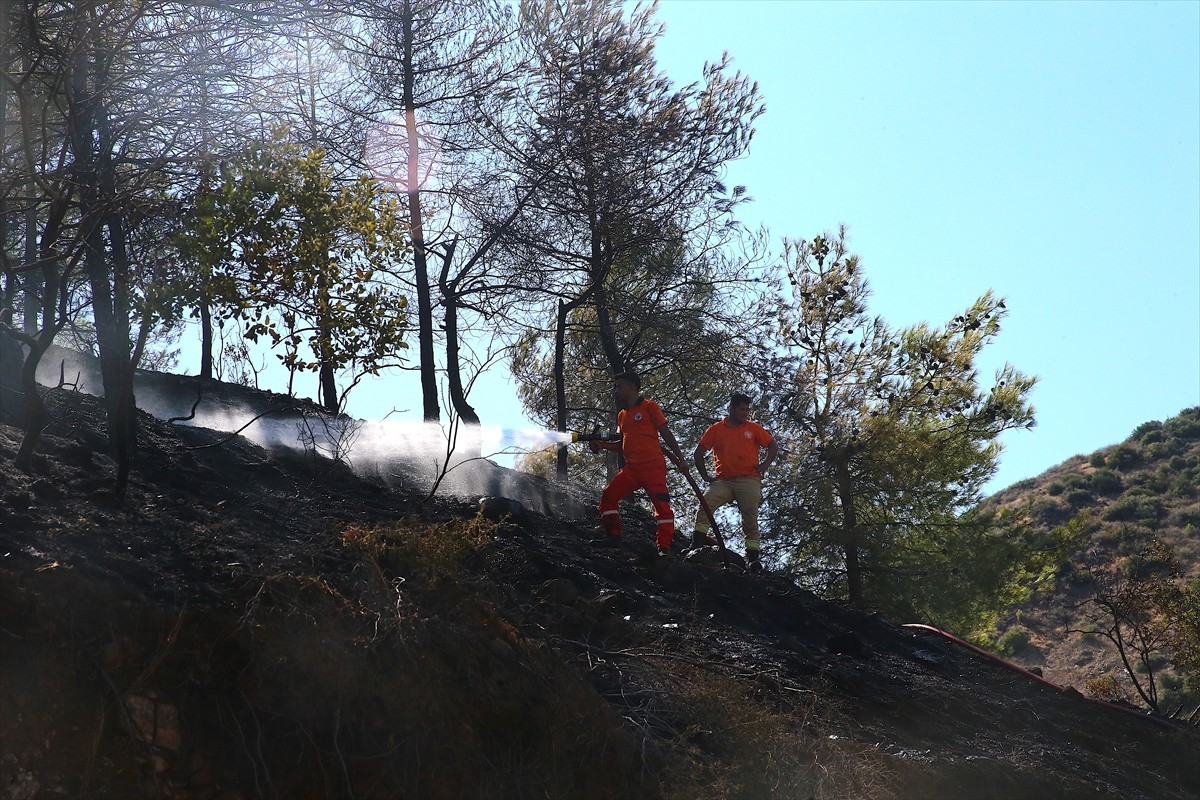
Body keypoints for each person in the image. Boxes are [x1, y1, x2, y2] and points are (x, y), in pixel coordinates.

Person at [588, 372, 691, 557]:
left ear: (631, 386)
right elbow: (623, 444)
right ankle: (613, 536)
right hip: (632, 469)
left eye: (619, 385)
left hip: (653, 467)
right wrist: (602, 445)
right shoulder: (622, 416)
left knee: (662, 508)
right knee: (609, 495)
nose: (616, 390)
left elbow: (666, 433)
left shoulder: (649, 407)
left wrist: (680, 459)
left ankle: (664, 548)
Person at [691, 392, 779, 572]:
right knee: (705, 505)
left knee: (750, 517)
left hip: (749, 479)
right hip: (723, 481)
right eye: (741, 409)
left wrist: (765, 464)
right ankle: (695, 546)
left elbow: (772, 444)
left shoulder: (753, 428)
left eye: (747, 410)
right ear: (731, 408)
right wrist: (705, 476)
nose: (745, 413)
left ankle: (752, 558)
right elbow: (698, 453)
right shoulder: (715, 429)